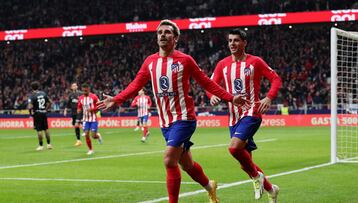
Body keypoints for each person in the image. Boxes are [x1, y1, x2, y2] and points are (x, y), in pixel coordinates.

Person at [97, 19, 247, 203]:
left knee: (169, 160)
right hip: (165, 122)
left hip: (184, 119)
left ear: (175, 38)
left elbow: (206, 82)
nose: (162, 35)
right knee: (187, 164)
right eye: (160, 32)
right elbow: (136, 84)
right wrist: (117, 99)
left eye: (167, 32)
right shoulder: (150, 62)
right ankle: (210, 186)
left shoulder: (185, 60)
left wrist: (231, 98)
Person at [206, 29, 282, 203]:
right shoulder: (222, 65)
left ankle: (257, 178)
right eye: (230, 41)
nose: (232, 44)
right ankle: (272, 190)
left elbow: (276, 79)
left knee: (233, 148)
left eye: (236, 40)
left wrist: (269, 97)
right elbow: (210, 85)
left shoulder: (255, 62)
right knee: (244, 163)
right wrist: (212, 97)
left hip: (252, 112)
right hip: (233, 117)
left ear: (244, 43)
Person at [77, 83, 103, 155]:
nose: (84, 92)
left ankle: (98, 136)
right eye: (83, 91)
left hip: (93, 119)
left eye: (86, 91)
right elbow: (79, 106)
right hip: (85, 119)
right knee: (86, 134)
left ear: (89, 89)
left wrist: (92, 109)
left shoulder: (94, 97)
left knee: (93, 136)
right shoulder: (81, 98)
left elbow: (100, 106)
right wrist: (78, 109)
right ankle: (90, 149)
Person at [28, 81, 53, 151]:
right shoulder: (43, 93)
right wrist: (46, 109)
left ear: (31, 88)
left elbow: (30, 107)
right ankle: (49, 144)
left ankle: (41, 145)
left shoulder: (32, 95)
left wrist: (31, 114)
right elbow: (50, 102)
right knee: (46, 129)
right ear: (38, 87)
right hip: (43, 113)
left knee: (39, 130)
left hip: (37, 113)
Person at [64, 82, 83, 146]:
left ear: (77, 87)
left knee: (78, 124)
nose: (74, 87)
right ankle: (78, 140)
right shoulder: (70, 95)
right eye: (73, 86)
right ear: (71, 87)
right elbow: (68, 103)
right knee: (75, 125)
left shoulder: (80, 93)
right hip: (73, 112)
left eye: (75, 85)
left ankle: (87, 132)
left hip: (80, 111)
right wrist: (65, 110)